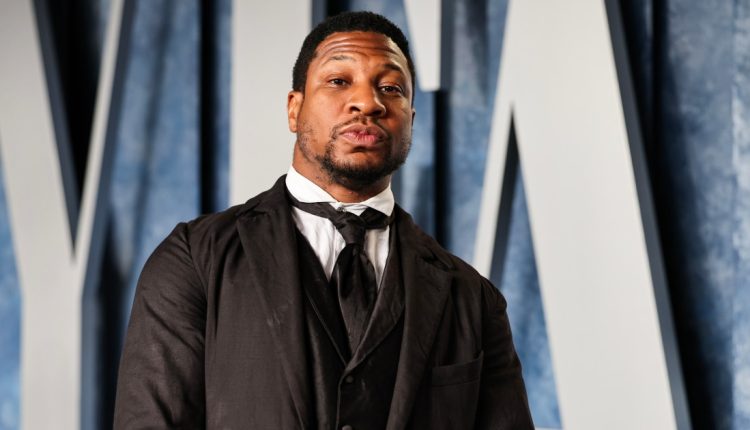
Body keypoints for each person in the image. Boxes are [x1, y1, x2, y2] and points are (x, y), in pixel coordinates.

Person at [114, 11, 533, 430]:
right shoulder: (194, 260)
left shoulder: (473, 298)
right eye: (338, 81)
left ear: (411, 120)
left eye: (391, 88)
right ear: (294, 110)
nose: (368, 103)